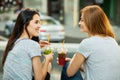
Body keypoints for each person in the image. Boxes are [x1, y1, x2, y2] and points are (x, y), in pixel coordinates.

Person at [60, 5, 120, 80]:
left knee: (66, 65)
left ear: (91, 22)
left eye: (82, 20)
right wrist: (74, 62)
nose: (79, 23)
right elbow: (96, 70)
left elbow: (69, 73)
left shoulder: (87, 43)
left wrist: (73, 60)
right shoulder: (112, 40)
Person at [2, 8, 53, 80]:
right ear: (25, 24)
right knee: (48, 65)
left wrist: (37, 46)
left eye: (39, 22)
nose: (39, 26)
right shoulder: (32, 45)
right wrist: (47, 60)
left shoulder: (14, 42)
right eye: (36, 22)